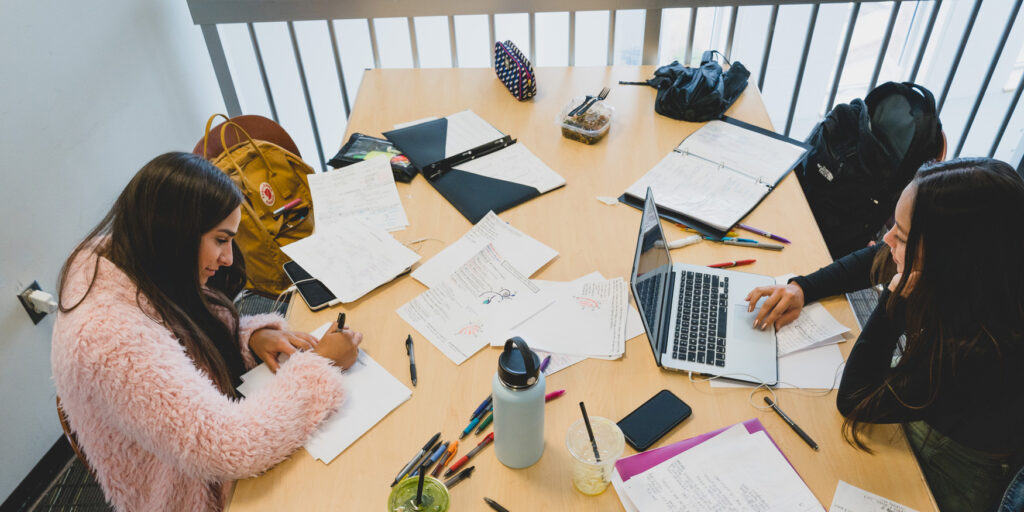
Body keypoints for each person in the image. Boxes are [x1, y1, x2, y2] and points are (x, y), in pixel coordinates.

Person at [51, 152, 361, 511]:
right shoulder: (108, 341)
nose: (228, 258)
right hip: (190, 492)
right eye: (220, 240)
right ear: (175, 234)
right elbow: (230, 448)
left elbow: (182, 330)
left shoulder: (134, 255)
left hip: (200, 447)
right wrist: (321, 365)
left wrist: (250, 337)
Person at [745, 157, 1024, 512]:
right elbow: (878, 258)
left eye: (902, 235)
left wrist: (894, 298)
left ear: (950, 256)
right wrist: (803, 287)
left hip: (958, 460)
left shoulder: (984, 350)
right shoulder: (983, 269)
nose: (886, 237)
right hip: (934, 397)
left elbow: (855, 400)